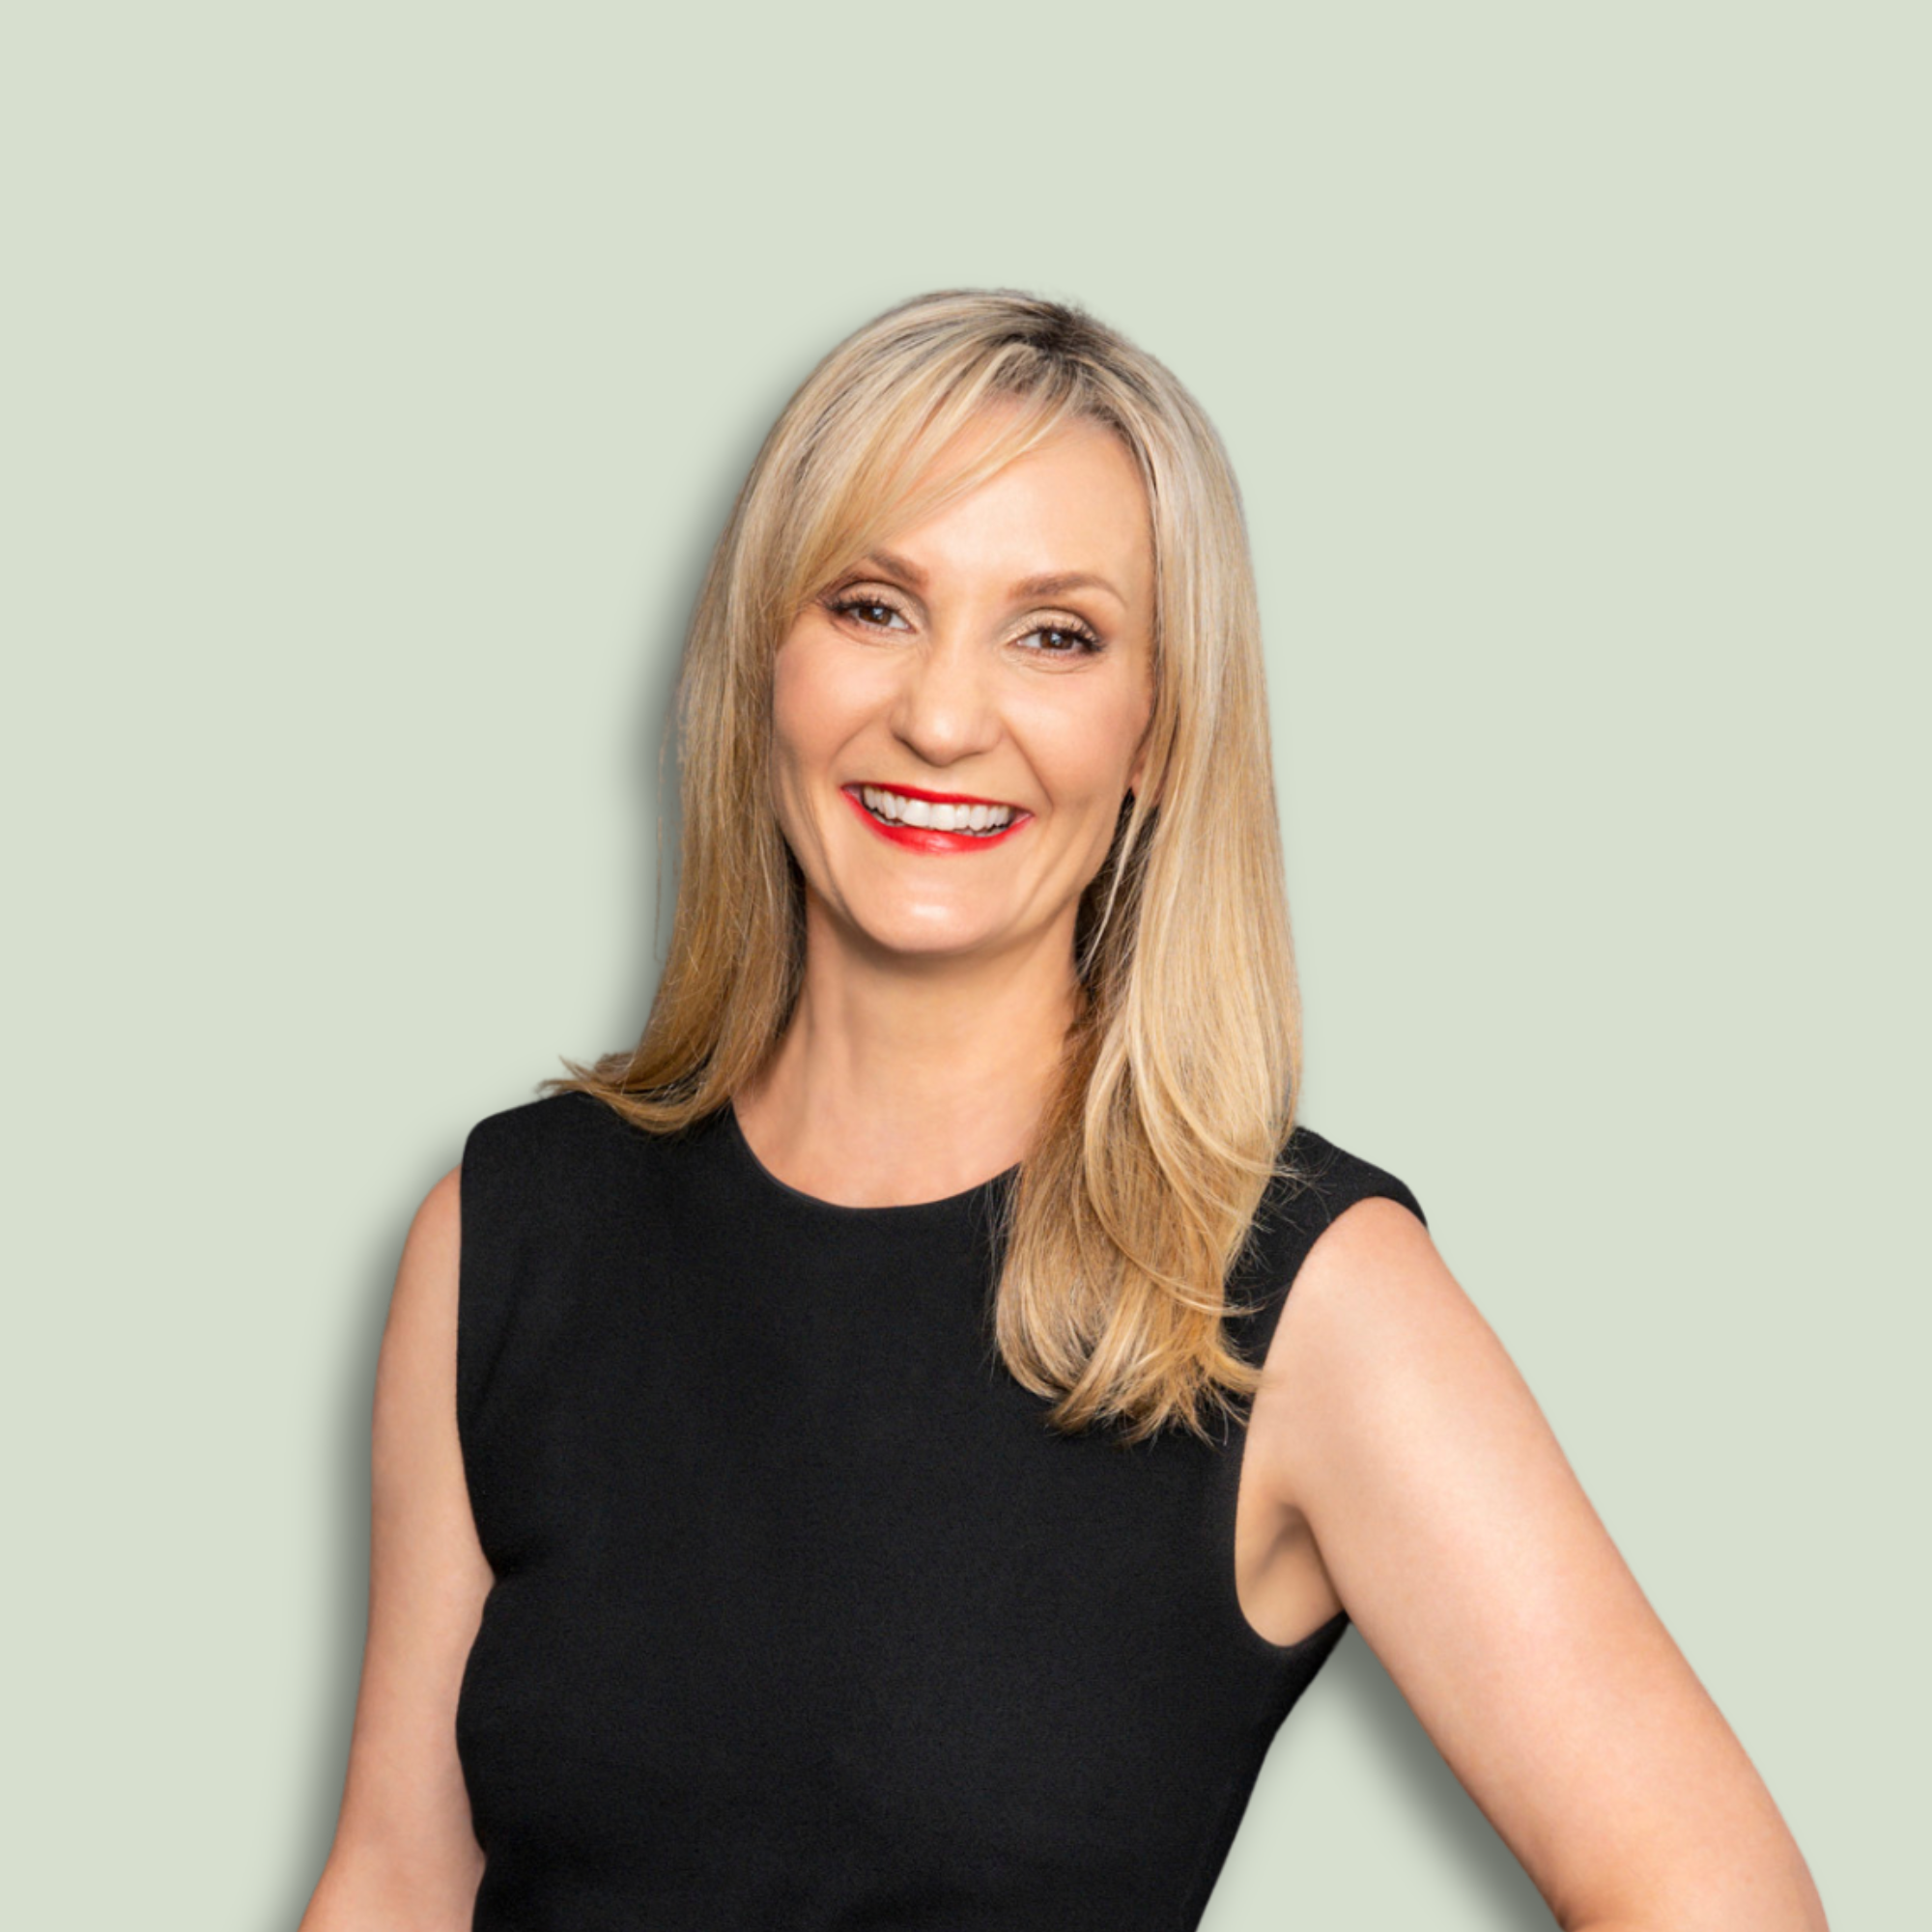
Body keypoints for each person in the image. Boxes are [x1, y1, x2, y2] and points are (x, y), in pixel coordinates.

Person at [298, 290, 1828, 1931]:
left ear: (1157, 732)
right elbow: (397, 1879)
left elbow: (1717, 1894)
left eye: (1058, 634)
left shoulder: (1296, 1293)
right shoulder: (510, 1232)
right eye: (875, 606)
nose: (945, 716)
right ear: (766, 658)